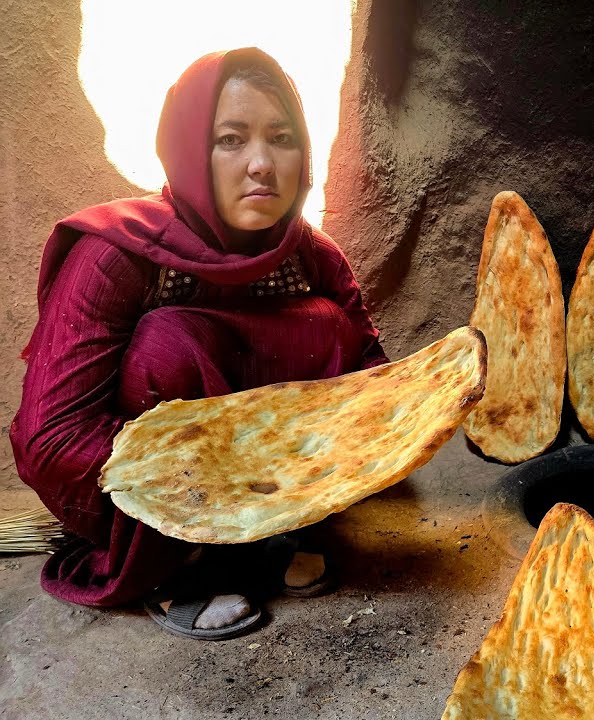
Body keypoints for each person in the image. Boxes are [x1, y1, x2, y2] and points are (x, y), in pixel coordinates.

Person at [9, 48, 388, 639]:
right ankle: (177, 567)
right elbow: (49, 439)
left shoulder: (306, 252)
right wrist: (201, 489)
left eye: (281, 137)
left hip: (272, 483)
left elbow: (371, 375)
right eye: (230, 139)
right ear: (188, 148)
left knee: (327, 326)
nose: (262, 163)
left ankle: (275, 532)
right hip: (157, 492)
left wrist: (330, 468)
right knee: (170, 345)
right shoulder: (116, 255)